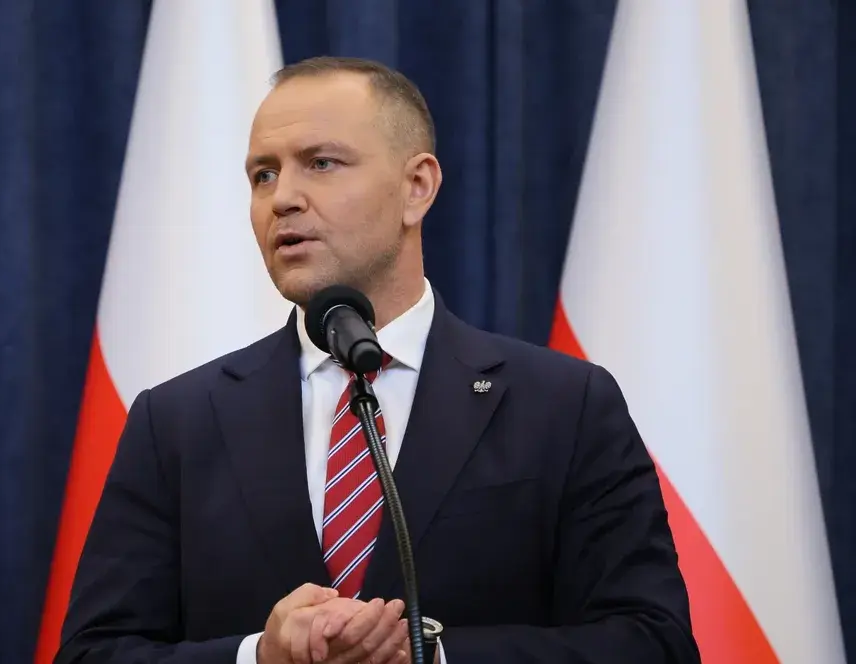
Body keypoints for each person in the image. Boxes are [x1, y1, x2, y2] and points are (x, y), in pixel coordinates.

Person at [55, 56, 699, 664]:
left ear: (417, 187)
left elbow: (653, 642)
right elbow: (94, 652)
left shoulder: (563, 405)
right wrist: (259, 656)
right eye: (263, 174)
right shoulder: (176, 421)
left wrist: (430, 655)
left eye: (321, 163)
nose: (282, 198)